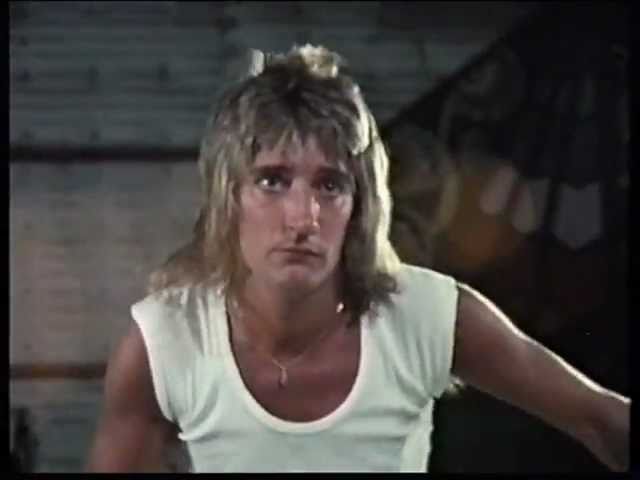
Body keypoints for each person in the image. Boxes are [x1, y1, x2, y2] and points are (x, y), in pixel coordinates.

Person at [86, 44, 630, 473]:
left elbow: (604, 420)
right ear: (229, 197)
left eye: (330, 185)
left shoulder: (428, 315)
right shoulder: (166, 341)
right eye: (272, 181)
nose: (303, 217)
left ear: (359, 206)